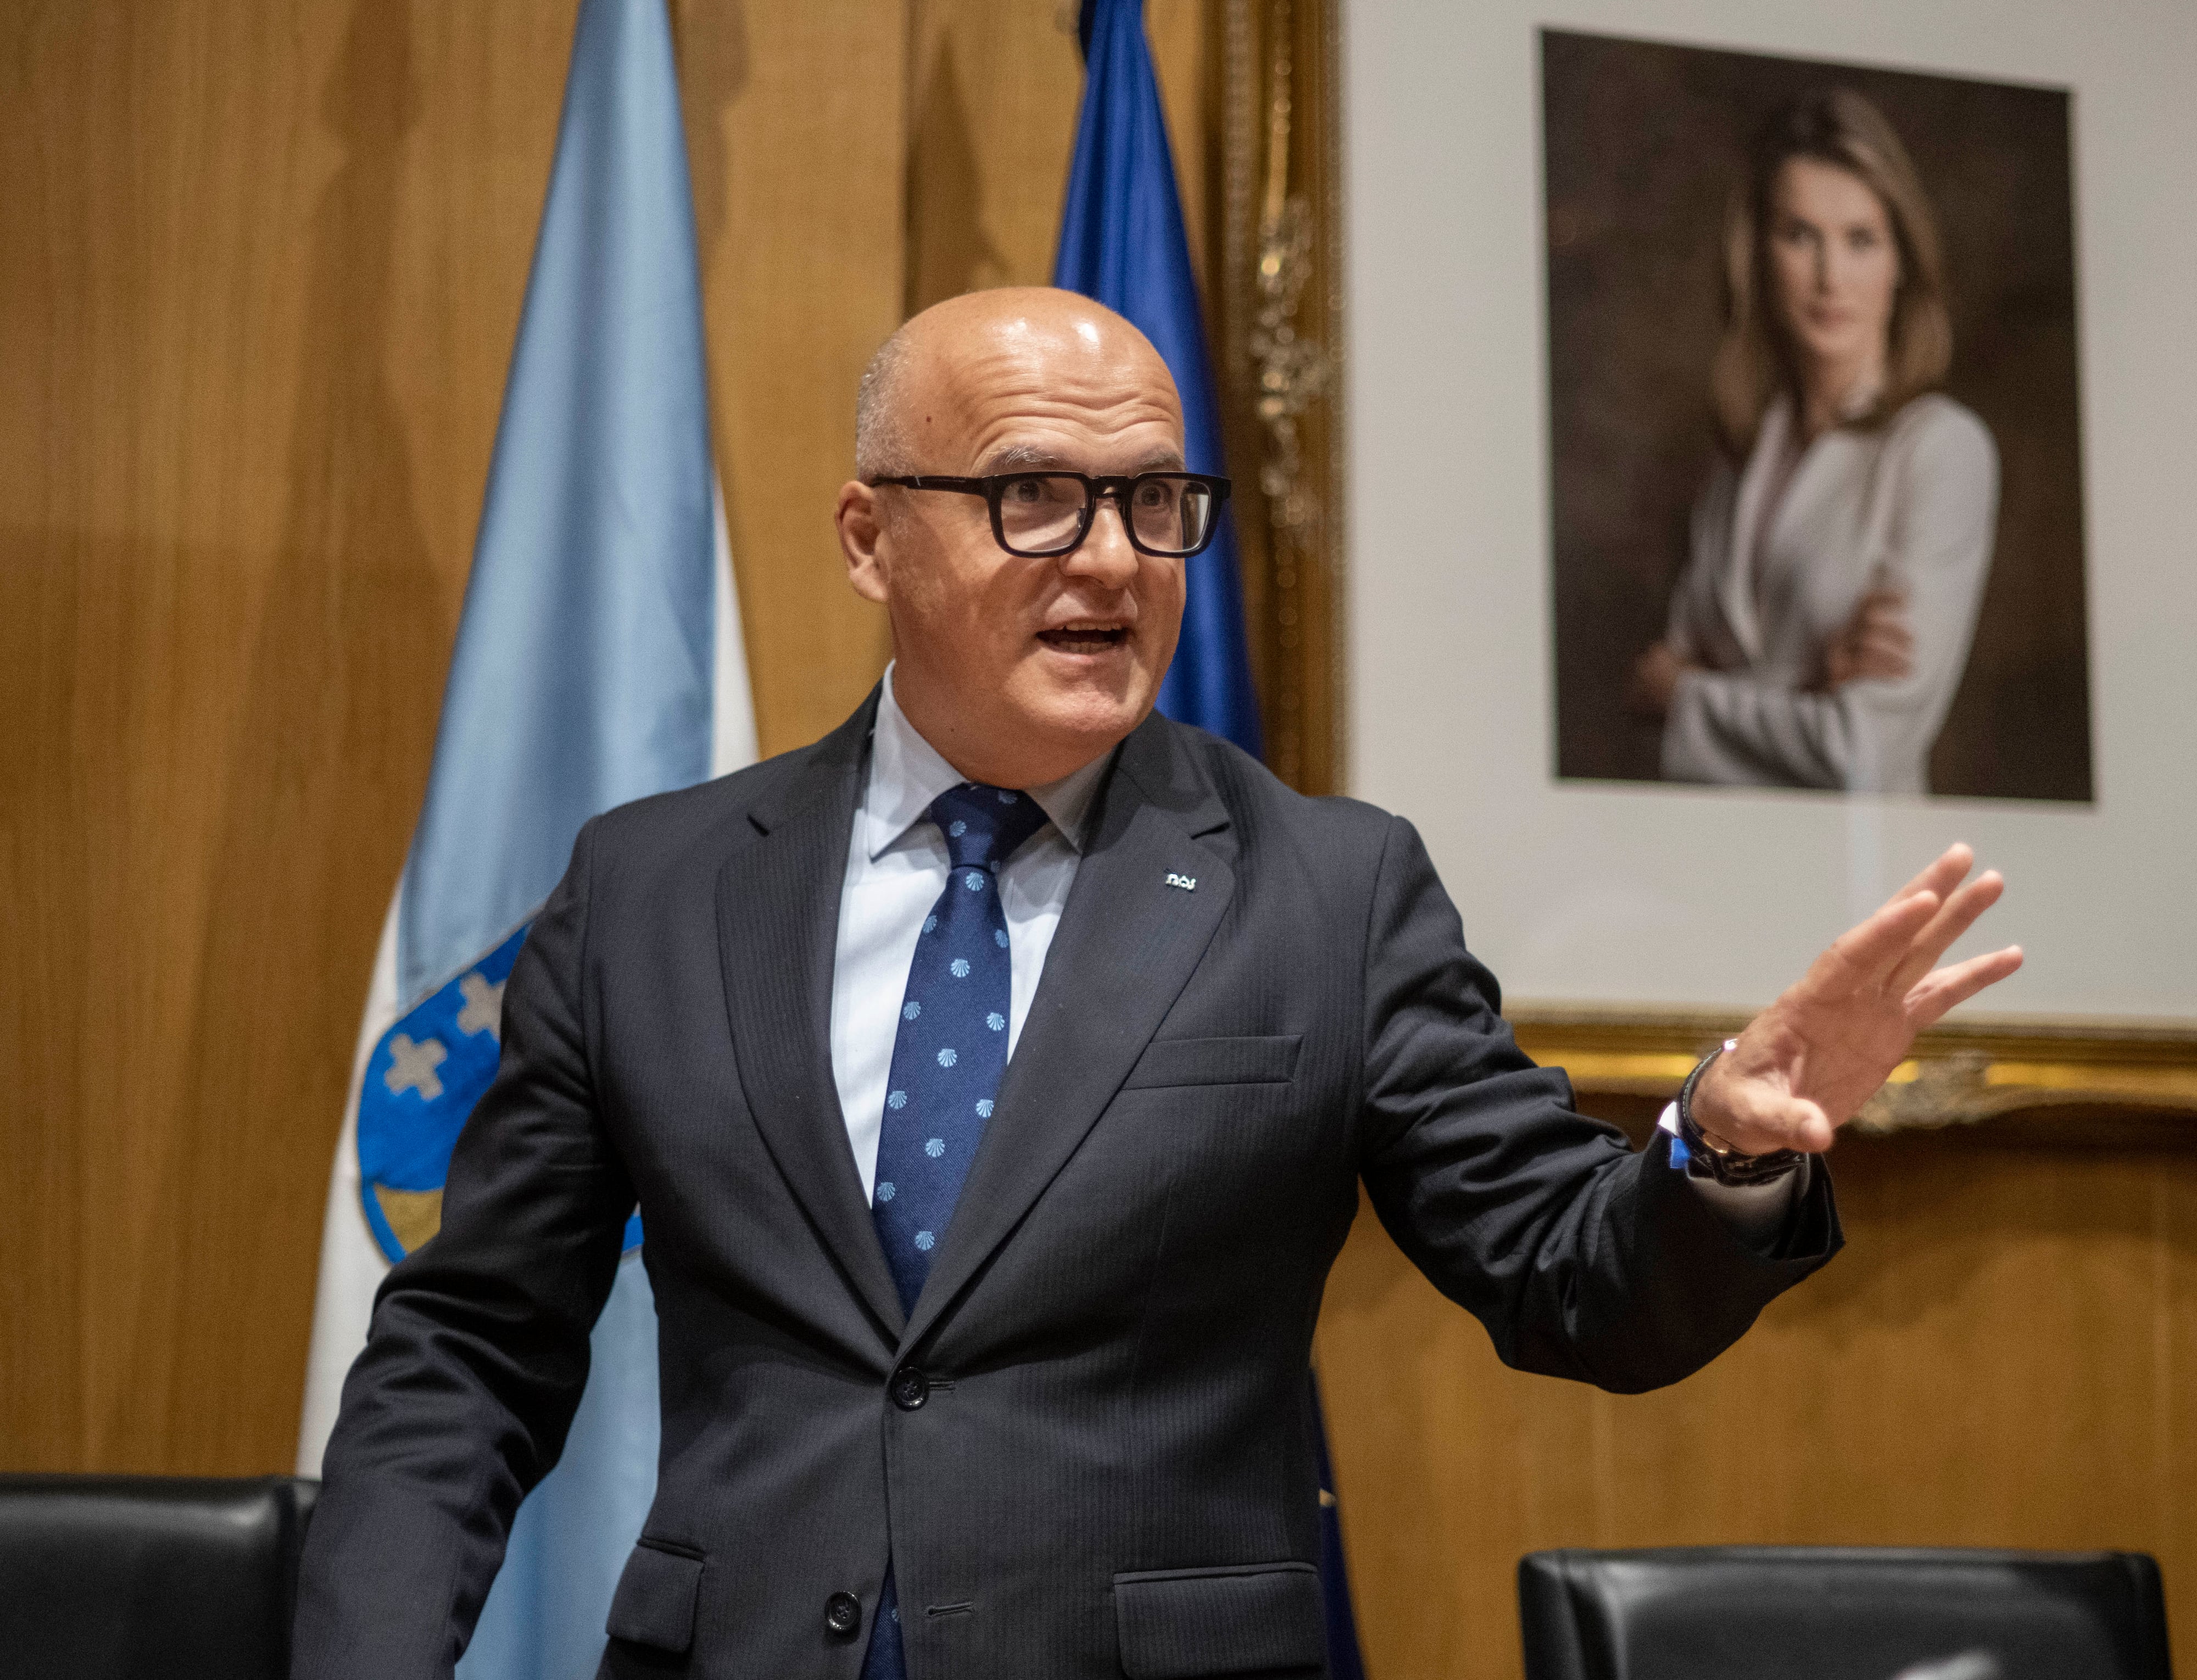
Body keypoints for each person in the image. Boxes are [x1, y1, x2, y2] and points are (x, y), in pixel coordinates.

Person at [294, 287, 2023, 1678]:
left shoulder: (1328, 891)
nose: (1114, 558)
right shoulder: (652, 883)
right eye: (1034, 496)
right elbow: (472, 1343)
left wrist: (1720, 1152)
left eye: (1153, 502)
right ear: (867, 535)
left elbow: (1563, 1274)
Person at [1633, 87, 1998, 795]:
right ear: (1759, 256)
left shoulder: (1941, 452)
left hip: (1860, 876)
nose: (1830, 277)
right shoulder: (1734, 469)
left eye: (1861, 239)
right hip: (1705, 872)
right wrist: (1805, 686)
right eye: (1800, 235)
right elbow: (1644, 723)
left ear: (1901, 264)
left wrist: (1693, 698)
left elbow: (1859, 749)